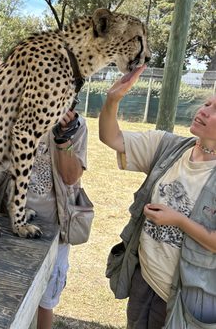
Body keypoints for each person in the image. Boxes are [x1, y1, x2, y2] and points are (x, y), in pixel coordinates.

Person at [99, 65, 216, 328]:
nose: (204, 111)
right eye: (207, 103)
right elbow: (111, 137)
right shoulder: (168, 147)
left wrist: (180, 221)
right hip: (145, 278)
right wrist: (112, 99)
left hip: (187, 298)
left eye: (215, 110)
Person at [27, 109, 88, 329]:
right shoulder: (18, 112)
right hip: (14, 226)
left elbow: (71, 176)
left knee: (45, 301)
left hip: (54, 231)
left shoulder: (76, 124)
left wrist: (63, 137)